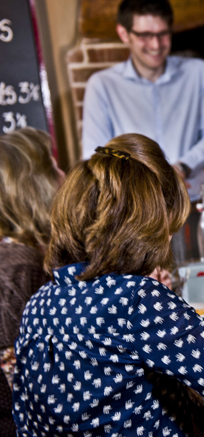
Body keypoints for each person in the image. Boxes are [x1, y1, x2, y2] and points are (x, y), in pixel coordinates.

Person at [12, 134, 204, 436]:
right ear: (139, 226)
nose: (167, 239)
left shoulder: (40, 303)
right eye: (164, 227)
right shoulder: (135, 298)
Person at [81, 0, 204, 261]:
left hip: (190, 205)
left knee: (203, 287)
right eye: (146, 35)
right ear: (124, 34)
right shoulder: (101, 86)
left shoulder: (197, 73)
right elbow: (95, 154)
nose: (156, 45)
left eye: (162, 34)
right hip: (135, 216)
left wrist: (181, 168)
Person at [0, 128, 64, 436]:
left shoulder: (20, 258)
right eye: (53, 168)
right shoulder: (20, 272)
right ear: (34, 190)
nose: (63, 175)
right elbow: (36, 394)